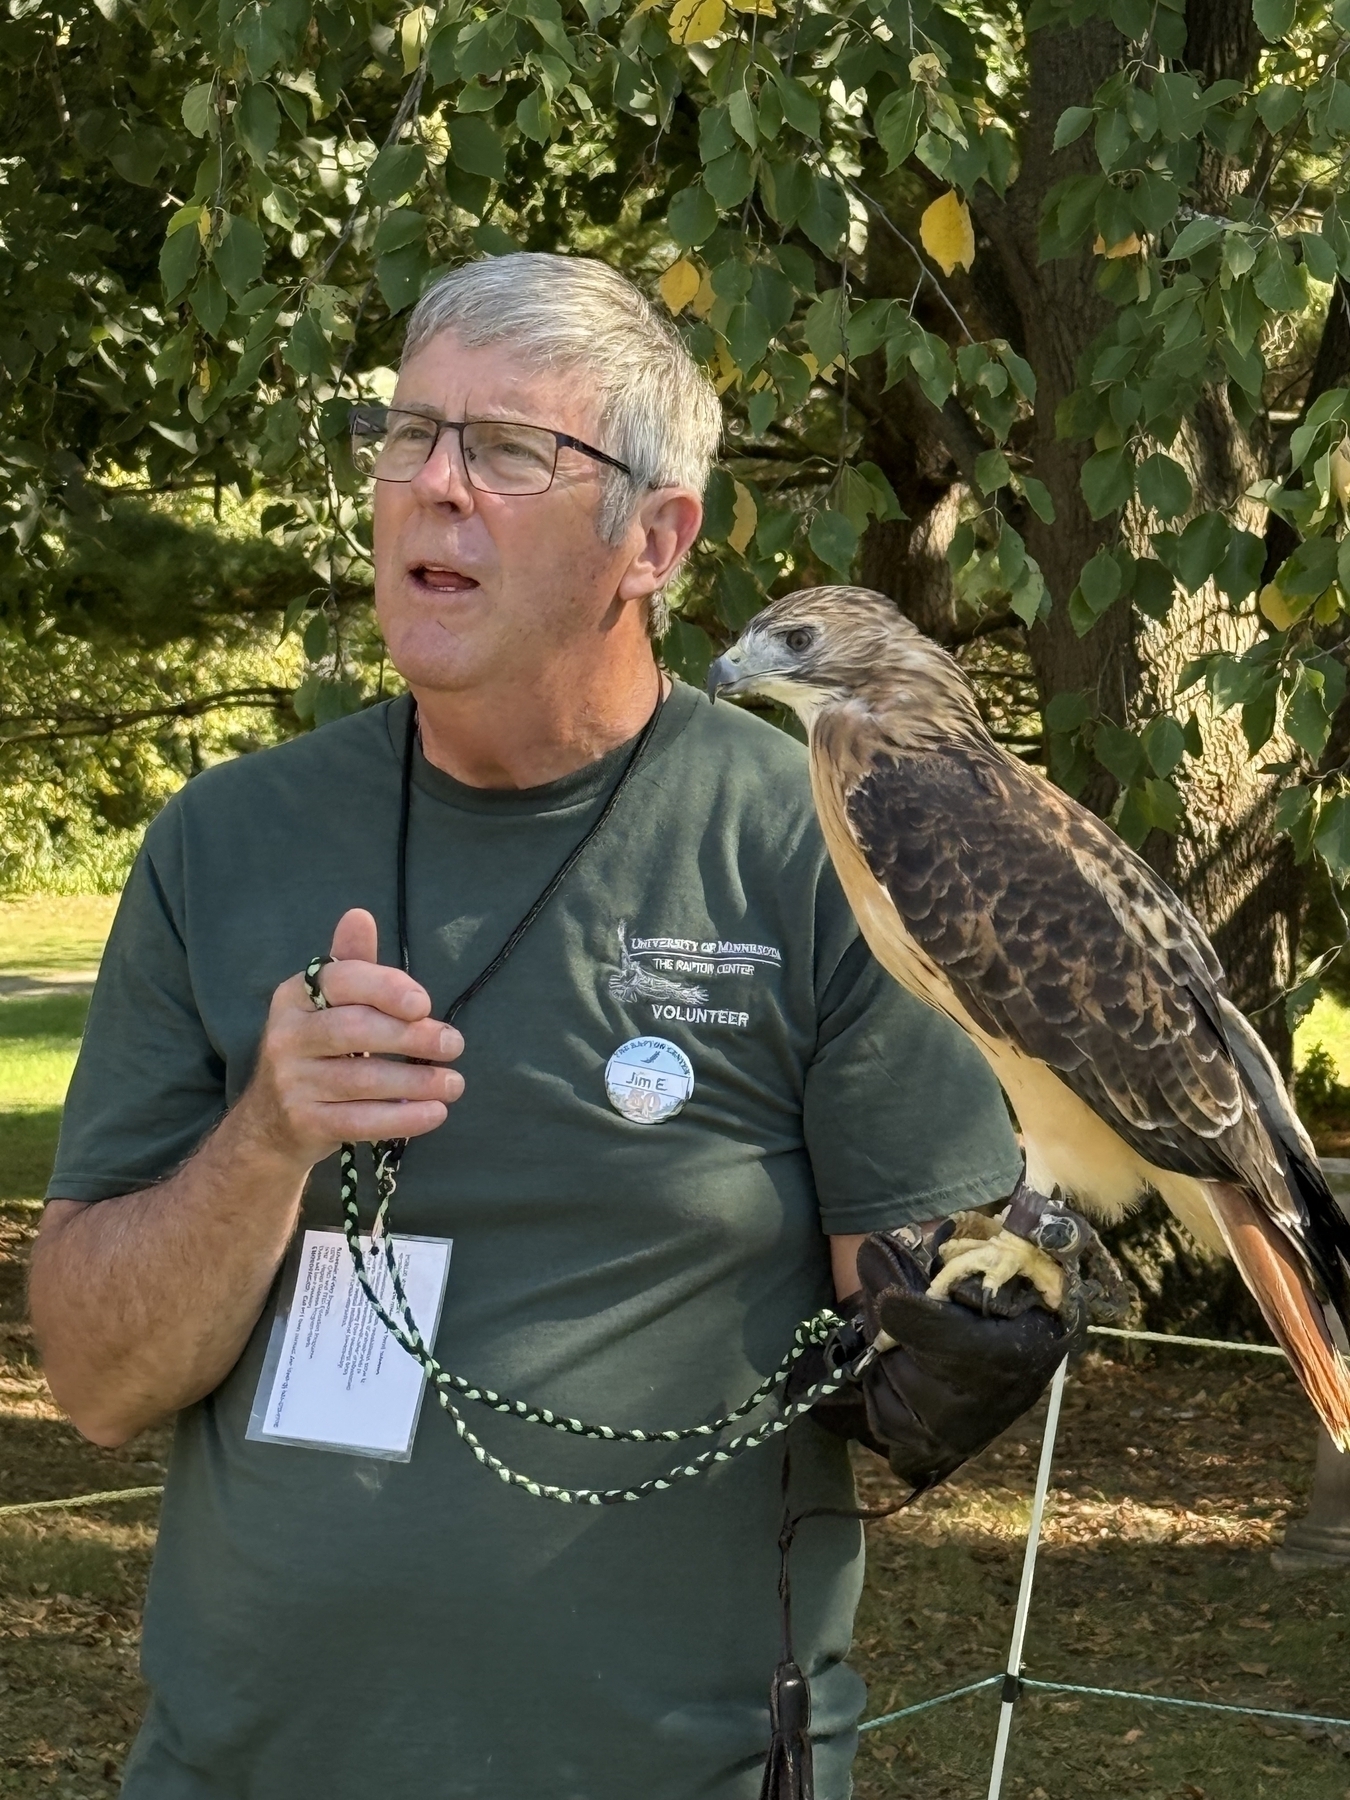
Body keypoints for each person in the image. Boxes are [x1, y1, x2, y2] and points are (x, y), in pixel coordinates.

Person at [30, 253, 1025, 1800]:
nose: (432, 486)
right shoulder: (225, 841)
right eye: (405, 434)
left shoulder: (821, 841)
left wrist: (993, 1299)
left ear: (654, 537)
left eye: (505, 450)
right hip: (242, 1768)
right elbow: (93, 1380)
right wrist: (269, 1134)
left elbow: (920, 1368)